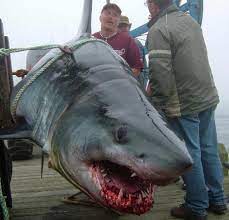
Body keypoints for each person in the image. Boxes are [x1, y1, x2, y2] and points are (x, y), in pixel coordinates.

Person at [145, 0, 227, 219]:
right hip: (207, 97)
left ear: (153, 5)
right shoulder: (190, 22)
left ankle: (196, 206)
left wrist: (158, 108)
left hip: (184, 104)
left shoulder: (159, 29)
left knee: (189, 155)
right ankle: (218, 200)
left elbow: (160, 76)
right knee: (208, 149)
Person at [93, 3, 143, 78]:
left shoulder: (128, 41)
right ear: (100, 17)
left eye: (115, 15)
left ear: (118, 20)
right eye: (108, 13)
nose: (110, 17)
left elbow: (137, 69)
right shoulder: (91, 39)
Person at [118, 15, 149, 89]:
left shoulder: (135, 43)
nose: (123, 28)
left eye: (125, 26)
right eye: (120, 26)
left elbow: (140, 69)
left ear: (129, 27)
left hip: (135, 86)